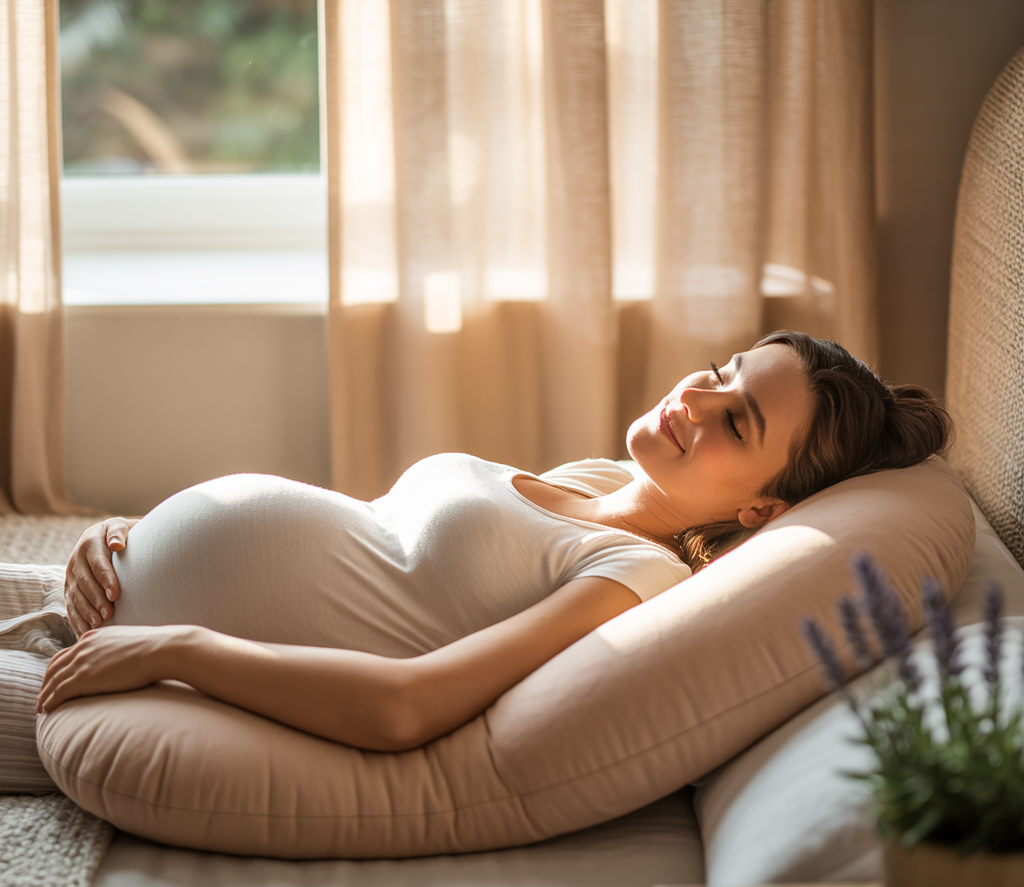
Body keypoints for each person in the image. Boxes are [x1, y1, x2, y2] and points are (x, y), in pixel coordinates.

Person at [38, 331, 951, 750]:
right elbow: (371, 552)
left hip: (160, 677)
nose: (694, 398)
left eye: (738, 423)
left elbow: (408, 705)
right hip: (113, 607)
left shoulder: (636, 576)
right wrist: (127, 536)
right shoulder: (600, 482)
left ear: (761, 511)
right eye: (720, 372)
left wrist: (178, 645)